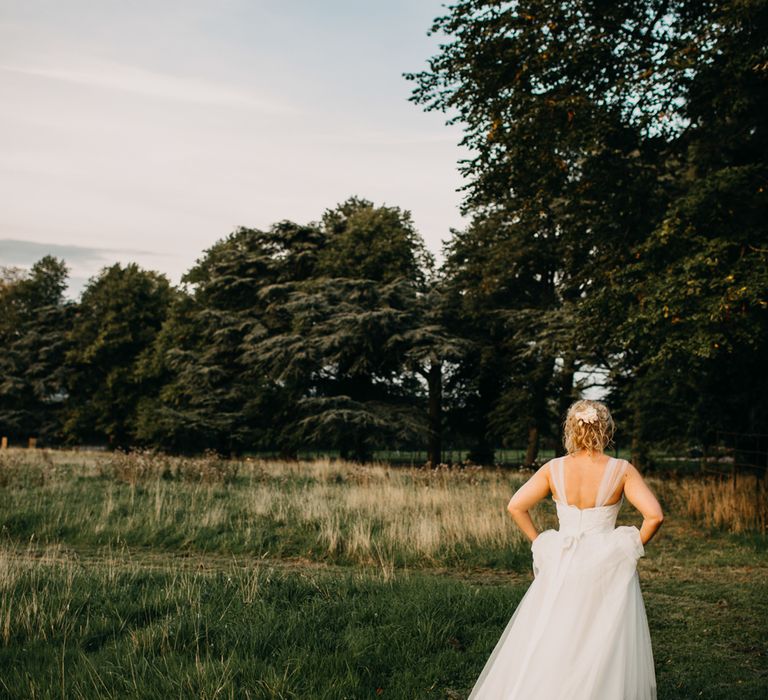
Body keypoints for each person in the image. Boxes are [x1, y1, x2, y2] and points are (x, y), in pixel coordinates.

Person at [467, 399, 663, 700]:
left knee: (553, 631)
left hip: (562, 560)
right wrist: (629, 548)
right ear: (605, 429)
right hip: (604, 562)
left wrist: (539, 542)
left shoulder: (553, 468)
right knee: (601, 635)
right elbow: (654, 516)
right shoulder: (621, 470)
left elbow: (516, 506)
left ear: (571, 429)